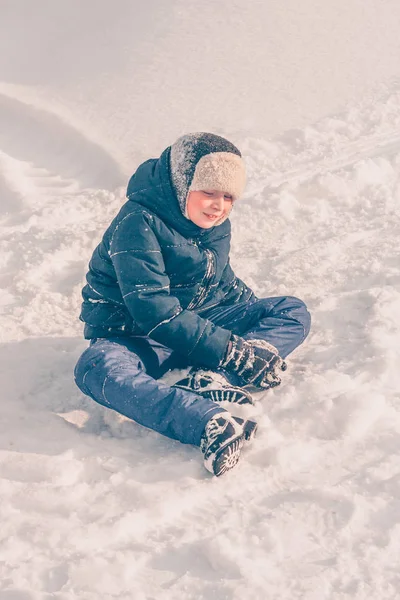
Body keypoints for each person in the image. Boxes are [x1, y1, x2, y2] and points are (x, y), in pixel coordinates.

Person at [74, 133, 311, 476]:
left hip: (197, 322)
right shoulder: (137, 224)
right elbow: (152, 308)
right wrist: (230, 349)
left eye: (229, 196)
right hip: (139, 336)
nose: (219, 205)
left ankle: (211, 380)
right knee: (96, 368)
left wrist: (250, 331)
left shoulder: (215, 225)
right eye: (210, 192)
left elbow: (221, 282)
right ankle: (204, 420)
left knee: (291, 309)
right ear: (181, 184)